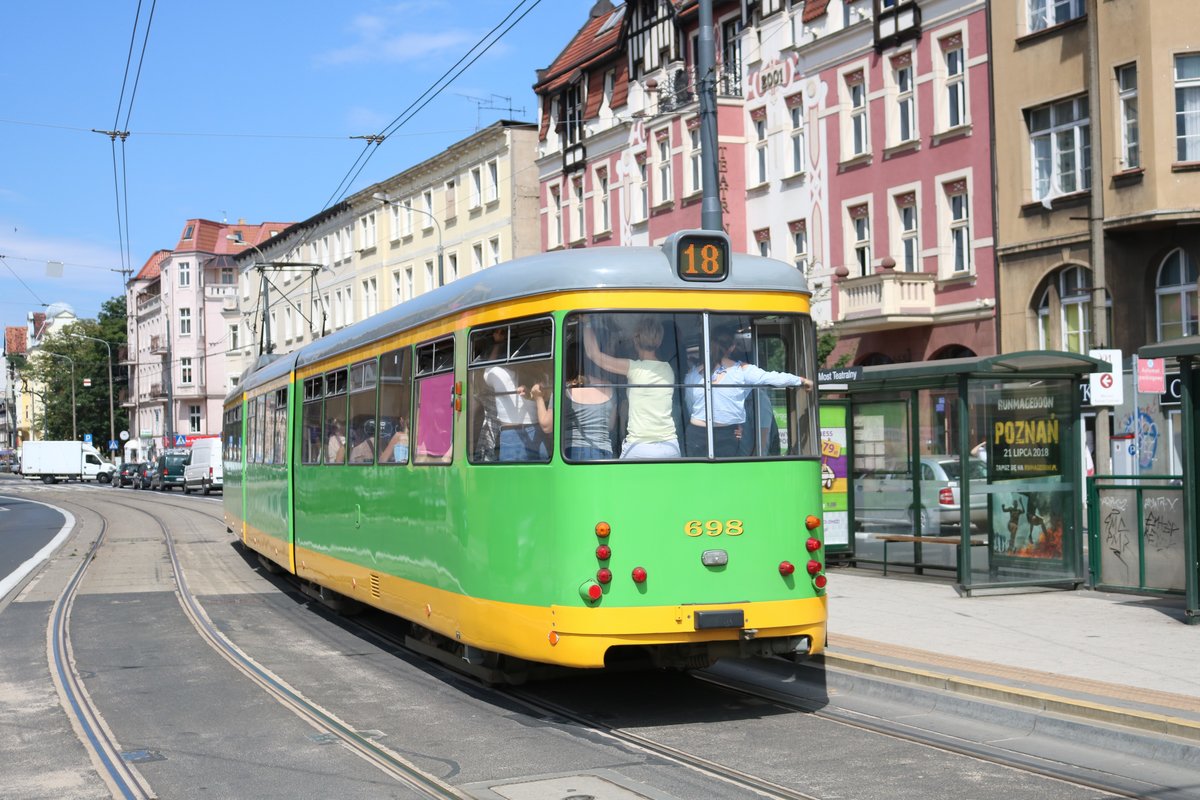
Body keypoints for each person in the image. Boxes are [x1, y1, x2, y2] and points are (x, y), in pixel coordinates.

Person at [684, 326, 813, 457]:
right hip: (727, 434)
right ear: (732, 347)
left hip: (695, 432)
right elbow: (773, 377)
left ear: (709, 346)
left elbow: (691, 406)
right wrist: (801, 380)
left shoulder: (693, 373)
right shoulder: (741, 370)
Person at [582, 316, 679, 459]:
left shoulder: (634, 368)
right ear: (659, 341)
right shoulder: (668, 369)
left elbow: (593, 354)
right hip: (670, 446)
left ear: (635, 340)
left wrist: (587, 323)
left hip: (639, 447)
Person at [483, 330, 548, 461]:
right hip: (537, 431)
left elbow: (487, 369)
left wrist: (497, 344)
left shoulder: (498, 374)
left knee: (512, 480)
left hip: (511, 435)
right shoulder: (541, 375)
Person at [561, 353, 616, 460]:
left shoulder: (564, 388)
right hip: (604, 450)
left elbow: (547, 425)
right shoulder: (609, 386)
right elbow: (610, 425)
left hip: (573, 450)